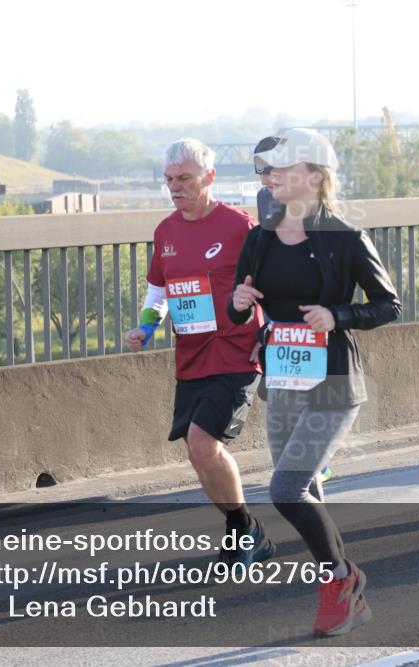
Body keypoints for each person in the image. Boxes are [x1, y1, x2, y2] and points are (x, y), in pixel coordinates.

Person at [230, 128, 402, 636]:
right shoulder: (260, 238)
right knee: (306, 490)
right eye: (269, 171)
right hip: (283, 379)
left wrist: (338, 314)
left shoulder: (344, 237)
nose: (272, 177)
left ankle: (339, 581)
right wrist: (239, 307)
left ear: (314, 176)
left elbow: (388, 304)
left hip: (332, 382)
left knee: (285, 489)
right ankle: (350, 592)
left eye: (284, 169)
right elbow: (239, 309)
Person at [126, 138, 275, 563]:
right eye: (169, 180)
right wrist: (146, 326)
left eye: (185, 179)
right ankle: (243, 526)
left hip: (236, 352)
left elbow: (270, 286)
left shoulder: (239, 227)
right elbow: (160, 290)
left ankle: (245, 530)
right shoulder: (166, 231)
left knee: (202, 442)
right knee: (196, 452)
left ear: (209, 178)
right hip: (190, 354)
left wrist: (270, 337)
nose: (175, 187)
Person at [254, 136, 336, 484]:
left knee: (310, 391)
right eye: (260, 167)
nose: (266, 175)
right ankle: (305, 467)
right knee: (279, 392)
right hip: (277, 319)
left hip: (312, 315)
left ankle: (315, 459)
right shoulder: (263, 199)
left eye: (273, 166)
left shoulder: (317, 207)